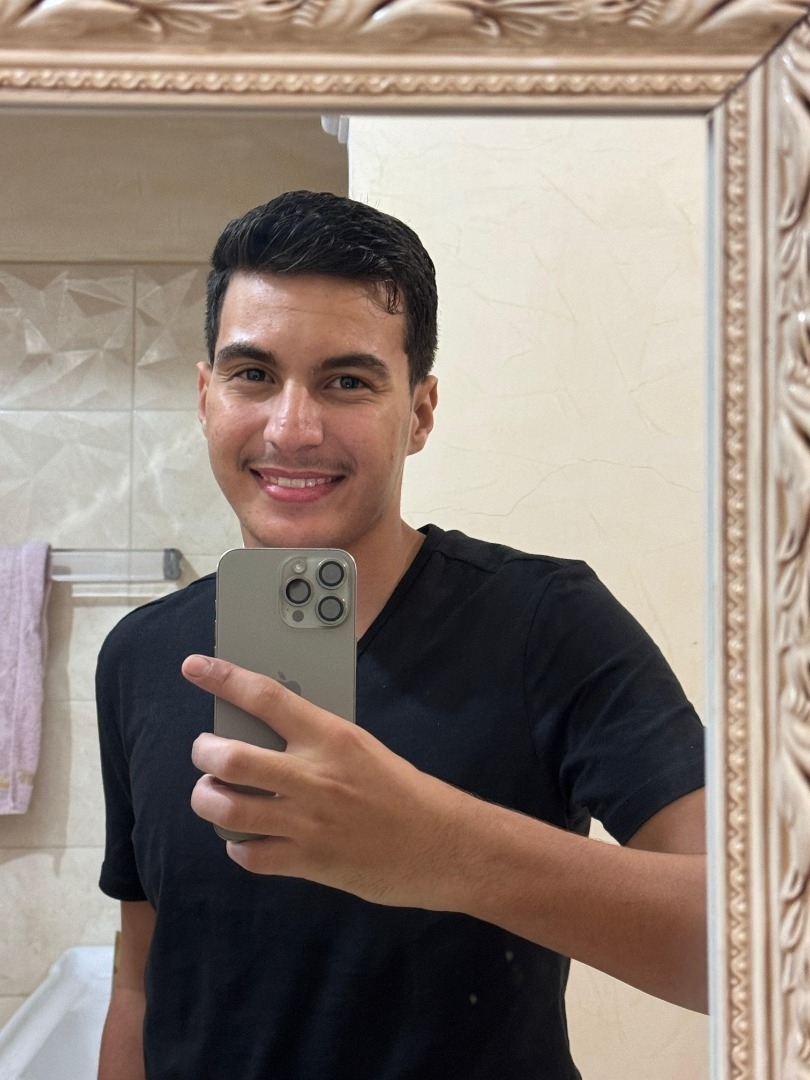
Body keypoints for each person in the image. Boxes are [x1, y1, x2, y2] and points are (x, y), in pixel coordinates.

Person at [96, 190, 706, 1080]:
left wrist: (443, 851)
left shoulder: (546, 622)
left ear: (419, 413)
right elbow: (140, 984)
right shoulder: (139, 656)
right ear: (205, 395)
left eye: (347, 381)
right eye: (253, 374)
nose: (291, 428)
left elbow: (757, 940)